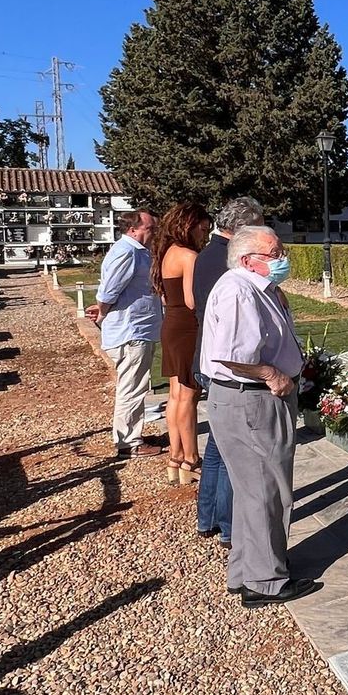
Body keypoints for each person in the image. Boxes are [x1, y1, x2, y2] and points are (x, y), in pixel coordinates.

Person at [200, 224, 318, 605]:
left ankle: (245, 571)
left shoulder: (255, 288)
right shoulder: (238, 291)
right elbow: (231, 354)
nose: (283, 259)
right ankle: (265, 581)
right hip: (252, 401)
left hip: (249, 400)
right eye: (275, 253)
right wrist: (272, 374)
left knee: (252, 492)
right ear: (248, 260)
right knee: (267, 492)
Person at [193, 197, 267, 546]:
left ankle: (208, 516)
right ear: (241, 229)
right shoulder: (228, 263)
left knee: (217, 449)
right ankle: (228, 524)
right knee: (231, 453)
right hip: (225, 365)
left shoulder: (207, 254)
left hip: (207, 356)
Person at [86, 209, 162, 457]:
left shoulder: (137, 251)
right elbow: (108, 291)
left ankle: (131, 435)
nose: (154, 233)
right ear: (133, 230)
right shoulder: (127, 252)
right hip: (131, 332)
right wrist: (102, 311)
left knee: (136, 385)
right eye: (150, 228)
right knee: (132, 388)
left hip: (138, 329)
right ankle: (129, 442)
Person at [152, 201, 211, 485]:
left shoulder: (167, 252)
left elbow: (167, 297)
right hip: (187, 328)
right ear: (190, 225)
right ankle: (192, 459)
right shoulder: (189, 256)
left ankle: (175, 457)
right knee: (189, 395)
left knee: (175, 394)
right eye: (203, 229)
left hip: (171, 325)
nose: (204, 235)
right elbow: (192, 300)